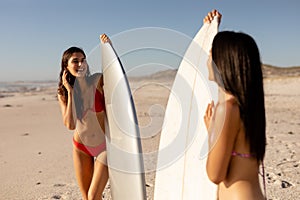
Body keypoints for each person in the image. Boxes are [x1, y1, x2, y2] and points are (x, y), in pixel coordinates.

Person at [203, 10, 266, 200]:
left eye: (211, 53)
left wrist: (213, 132)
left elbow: (215, 174)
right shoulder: (247, 106)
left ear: (222, 63)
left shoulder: (227, 109)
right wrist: (212, 28)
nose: (207, 59)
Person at [57, 34, 111, 200]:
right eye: (75, 61)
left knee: (93, 195)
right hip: (81, 147)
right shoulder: (63, 94)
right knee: (87, 198)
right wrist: (71, 91)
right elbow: (70, 124)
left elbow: (114, 72)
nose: (80, 64)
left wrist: (108, 47)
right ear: (66, 66)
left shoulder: (97, 80)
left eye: (83, 60)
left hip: (104, 147)